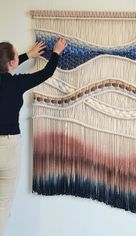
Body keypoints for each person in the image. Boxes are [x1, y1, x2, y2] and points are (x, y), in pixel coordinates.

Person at [0, 38, 67, 236]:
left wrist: (26, 56)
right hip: (9, 148)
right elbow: (46, 73)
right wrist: (55, 52)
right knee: (3, 204)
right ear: (12, 63)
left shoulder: (15, 79)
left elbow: (6, 66)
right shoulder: (17, 83)